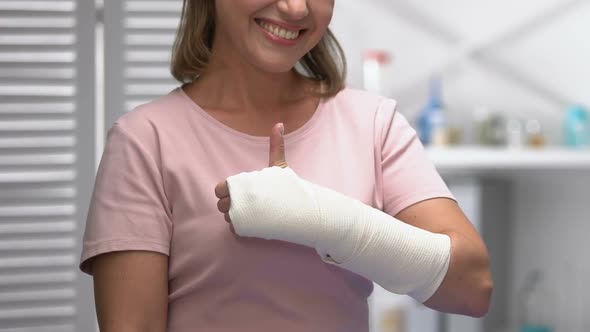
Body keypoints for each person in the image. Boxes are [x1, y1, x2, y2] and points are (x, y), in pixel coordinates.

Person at [79, 0, 493, 331]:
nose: (296, 9)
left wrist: (320, 219)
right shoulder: (144, 141)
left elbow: (473, 290)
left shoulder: (373, 124)